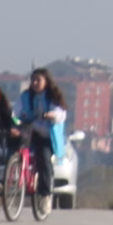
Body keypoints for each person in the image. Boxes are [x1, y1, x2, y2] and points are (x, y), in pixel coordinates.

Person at [16, 68, 70, 208]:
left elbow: (60, 114)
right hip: (30, 132)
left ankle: (45, 194)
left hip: (46, 137)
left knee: (43, 158)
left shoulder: (53, 97)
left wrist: (49, 115)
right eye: (32, 80)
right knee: (16, 147)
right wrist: (14, 119)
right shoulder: (26, 96)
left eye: (38, 80)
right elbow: (16, 112)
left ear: (46, 82)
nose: (34, 83)